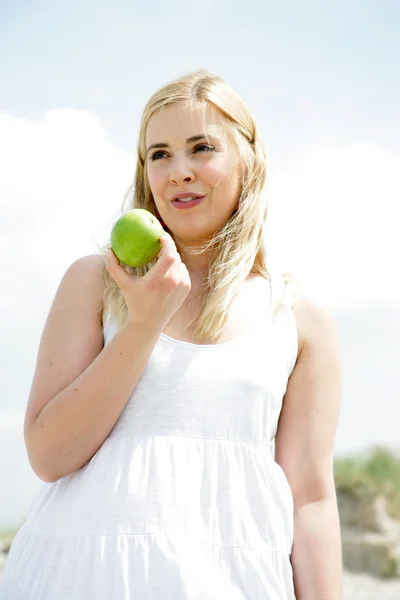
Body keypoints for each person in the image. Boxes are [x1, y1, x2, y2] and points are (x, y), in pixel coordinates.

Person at [0, 69, 343, 599]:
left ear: (248, 159)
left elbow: (311, 498)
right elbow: (49, 456)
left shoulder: (297, 316)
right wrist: (143, 323)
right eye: (158, 154)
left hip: (234, 583)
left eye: (201, 148)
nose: (178, 171)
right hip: (82, 577)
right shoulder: (96, 282)